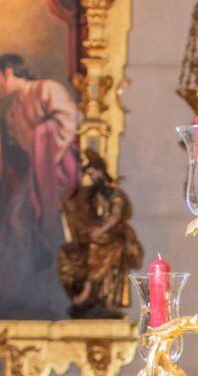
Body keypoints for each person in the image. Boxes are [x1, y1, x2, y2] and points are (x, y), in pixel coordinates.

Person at [0, 52, 80, 318]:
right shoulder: (13, 111)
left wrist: (42, 139)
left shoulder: (47, 88)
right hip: (35, 174)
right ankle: (22, 291)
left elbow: (69, 121)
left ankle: (55, 289)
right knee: (16, 218)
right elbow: (20, 149)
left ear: (9, 73)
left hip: (56, 168)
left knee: (53, 218)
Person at [59, 149, 144, 318]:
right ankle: (88, 294)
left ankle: (103, 297)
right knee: (79, 255)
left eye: (93, 173)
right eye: (89, 175)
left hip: (113, 237)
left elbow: (115, 216)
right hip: (96, 236)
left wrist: (100, 230)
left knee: (102, 258)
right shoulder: (94, 194)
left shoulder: (115, 194)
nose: (92, 177)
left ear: (100, 171)